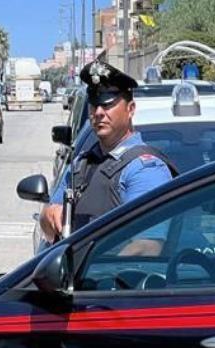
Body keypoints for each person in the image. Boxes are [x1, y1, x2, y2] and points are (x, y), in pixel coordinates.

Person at [39, 59, 175, 255]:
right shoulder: (82, 164)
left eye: (108, 102)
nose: (99, 112)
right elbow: (48, 221)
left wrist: (99, 269)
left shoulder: (144, 168)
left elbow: (147, 246)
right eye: (94, 103)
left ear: (131, 109)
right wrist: (49, 215)